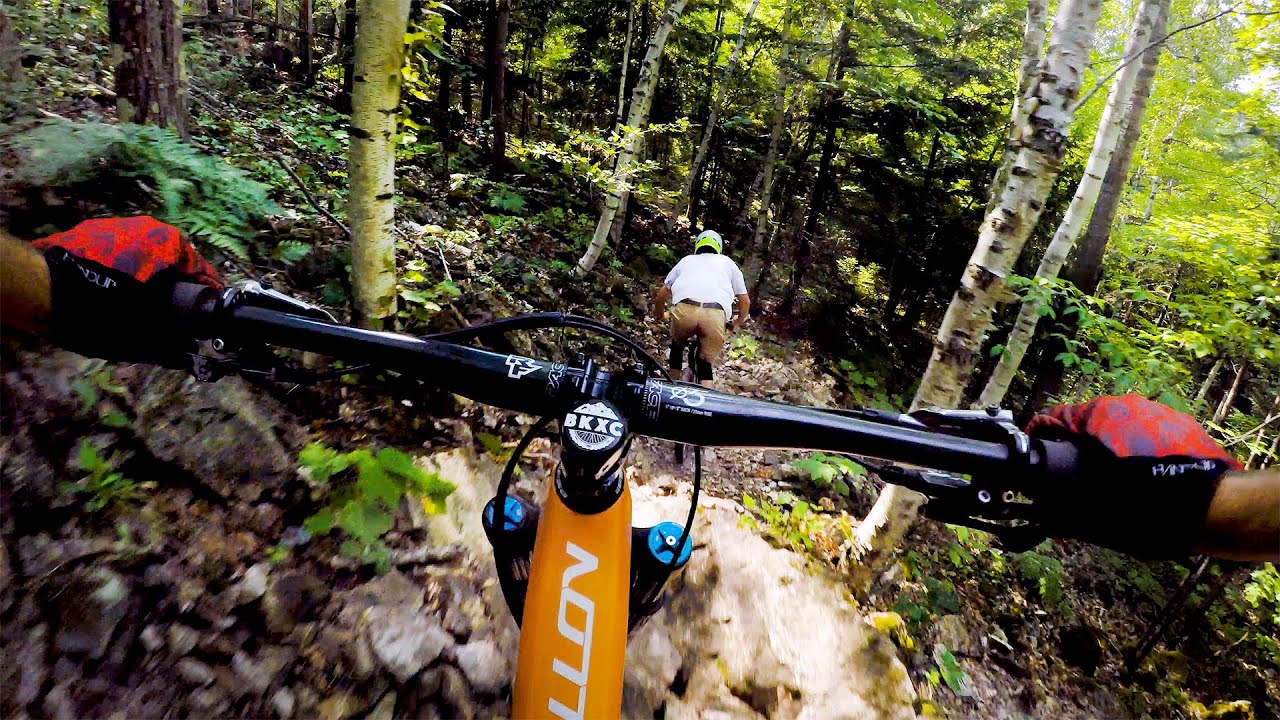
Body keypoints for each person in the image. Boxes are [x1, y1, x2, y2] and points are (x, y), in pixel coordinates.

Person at [0, 219, 1277, 562]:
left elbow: (675, 288)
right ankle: (684, 385)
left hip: (672, 315)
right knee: (704, 368)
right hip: (707, 323)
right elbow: (726, 302)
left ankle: (668, 372)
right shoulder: (726, 270)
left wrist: (671, 319)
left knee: (674, 352)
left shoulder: (685, 263)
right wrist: (723, 335)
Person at [652, 229, 750, 388]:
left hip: (685, 312)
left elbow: (661, 295)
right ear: (719, 247)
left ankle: (670, 387)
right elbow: (744, 301)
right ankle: (706, 395)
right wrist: (737, 322)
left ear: (698, 245)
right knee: (705, 363)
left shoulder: (686, 261)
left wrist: (660, 315)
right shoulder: (728, 263)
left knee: (677, 348)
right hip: (714, 315)